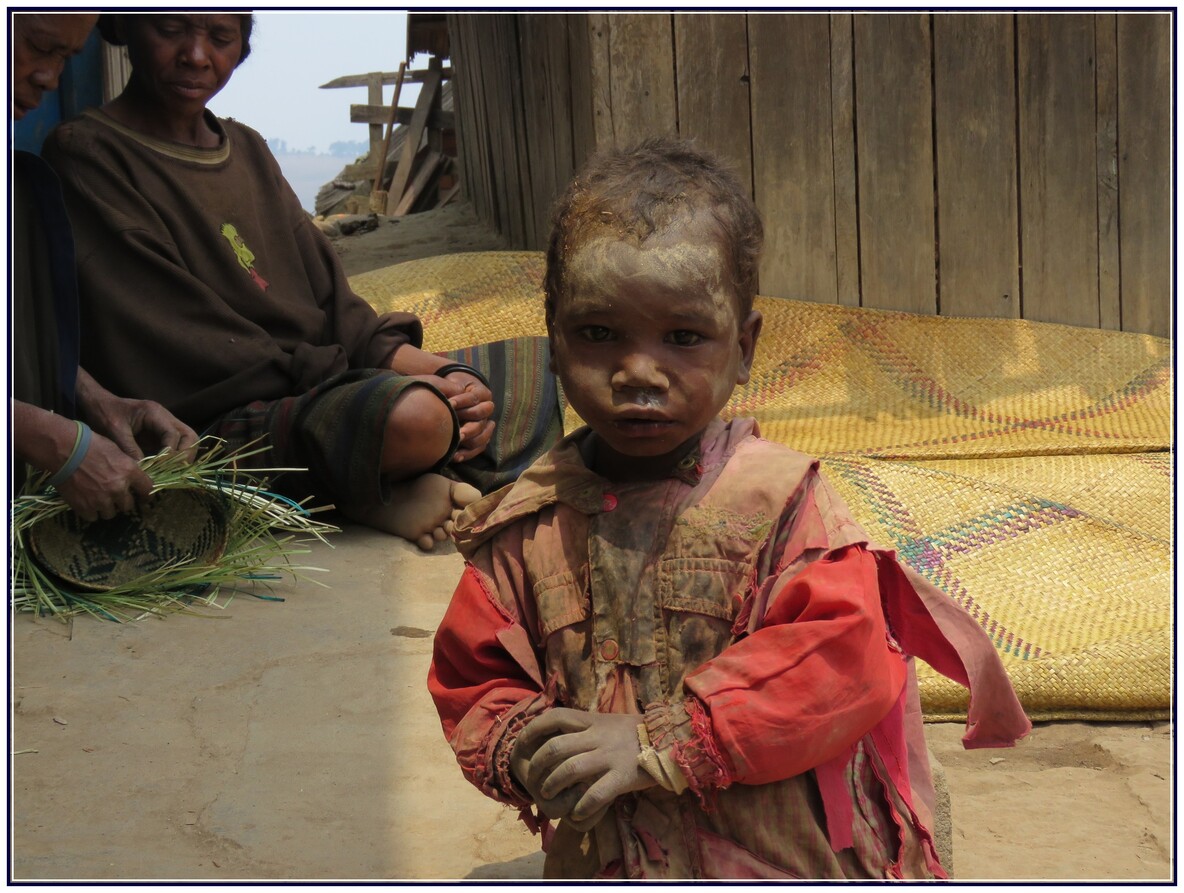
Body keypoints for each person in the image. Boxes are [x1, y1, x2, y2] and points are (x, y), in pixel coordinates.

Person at [427, 138, 1031, 880]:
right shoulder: (527, 525)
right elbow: (473, 670)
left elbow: (842, 658)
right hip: (613, 856)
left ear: (744, 347)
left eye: (683, 337)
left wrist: (663, 740)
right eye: (597, 334)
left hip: (782, 856)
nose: (637, 371)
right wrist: (524, 745)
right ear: (552, 342)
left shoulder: (781, 503)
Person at [41, 13, 514, 550]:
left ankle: (387, 475)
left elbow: (339, 308)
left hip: (319, 384)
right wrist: (368, 385)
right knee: (418, 418)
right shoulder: (87, 152)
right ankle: (366, 491)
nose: (197, 56)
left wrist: (448, 374)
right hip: (220, 417)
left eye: (220, 38)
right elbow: (183, 344)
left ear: (241, 47)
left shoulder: (246, 147)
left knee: (520, 377)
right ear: (126, 28)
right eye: (172, 30)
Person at [11, 12, 198, 522]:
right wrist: (56, 442)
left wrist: (94, 399)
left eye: (64, 58)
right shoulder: (83, 154)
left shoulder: (19, 190)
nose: (49, 77)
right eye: (39, 46)